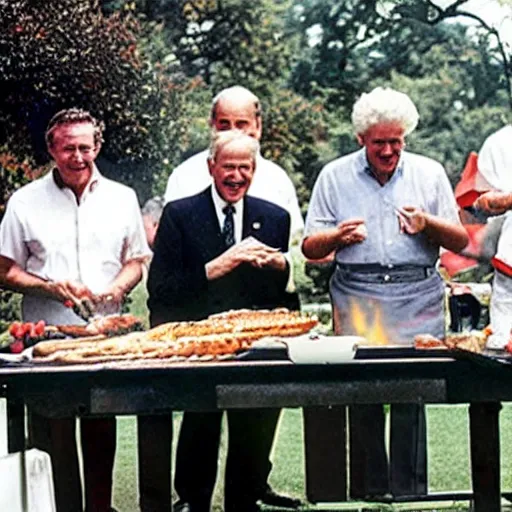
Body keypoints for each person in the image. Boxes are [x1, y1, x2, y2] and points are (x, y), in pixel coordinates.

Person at [302, 87, 468, 499]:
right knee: (363, 388)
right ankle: (369, 490)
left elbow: (461, 240)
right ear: (361, 138)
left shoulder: (428, 173)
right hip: (357, 292)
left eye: (397, 141)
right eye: (380, 142)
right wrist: (337, 237)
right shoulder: (334, 176)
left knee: (413, 390)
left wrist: (428, 223)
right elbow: (309, 248)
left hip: (417, 291)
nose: (389, 150)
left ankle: (411, 492)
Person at [0, 108, 151, 512]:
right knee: (55, 434)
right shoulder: (24, 201)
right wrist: (50, 288)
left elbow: (137, 260)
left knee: (102, 426)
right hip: (47, 338)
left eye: (86, 147)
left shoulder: (123, 197)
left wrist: (116, 288)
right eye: (69, 148)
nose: (78, 157)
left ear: (98, 146)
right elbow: (5, 269)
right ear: (52, 148)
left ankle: (100, 508)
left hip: (105, 337)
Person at [141, 130, 297, 512]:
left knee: (253, 431)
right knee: (201, 428)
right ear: (212, 167)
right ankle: (192, 501)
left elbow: (282, 298)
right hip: (200, 348)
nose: (237, 176)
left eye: (245, 168)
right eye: (229, 166)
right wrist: (217, 266)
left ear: (255, 170)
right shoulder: (179, 215)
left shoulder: (274, 217)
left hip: (255, 349)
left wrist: (282, 266)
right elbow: (160, 291)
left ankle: (244, 503)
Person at [164, 85, 304, 243]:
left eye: (241, 125)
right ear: (212, 126)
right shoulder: (184, 176)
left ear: (258, 126)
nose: (233, 134)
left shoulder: (277, 180)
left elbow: (291, 243)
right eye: (224, 126)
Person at [472, 124, 512, 348]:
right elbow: (476, 208)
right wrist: (485, 204)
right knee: (502, 345)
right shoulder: (500, 143)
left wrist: (508, 200)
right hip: (509, 268)